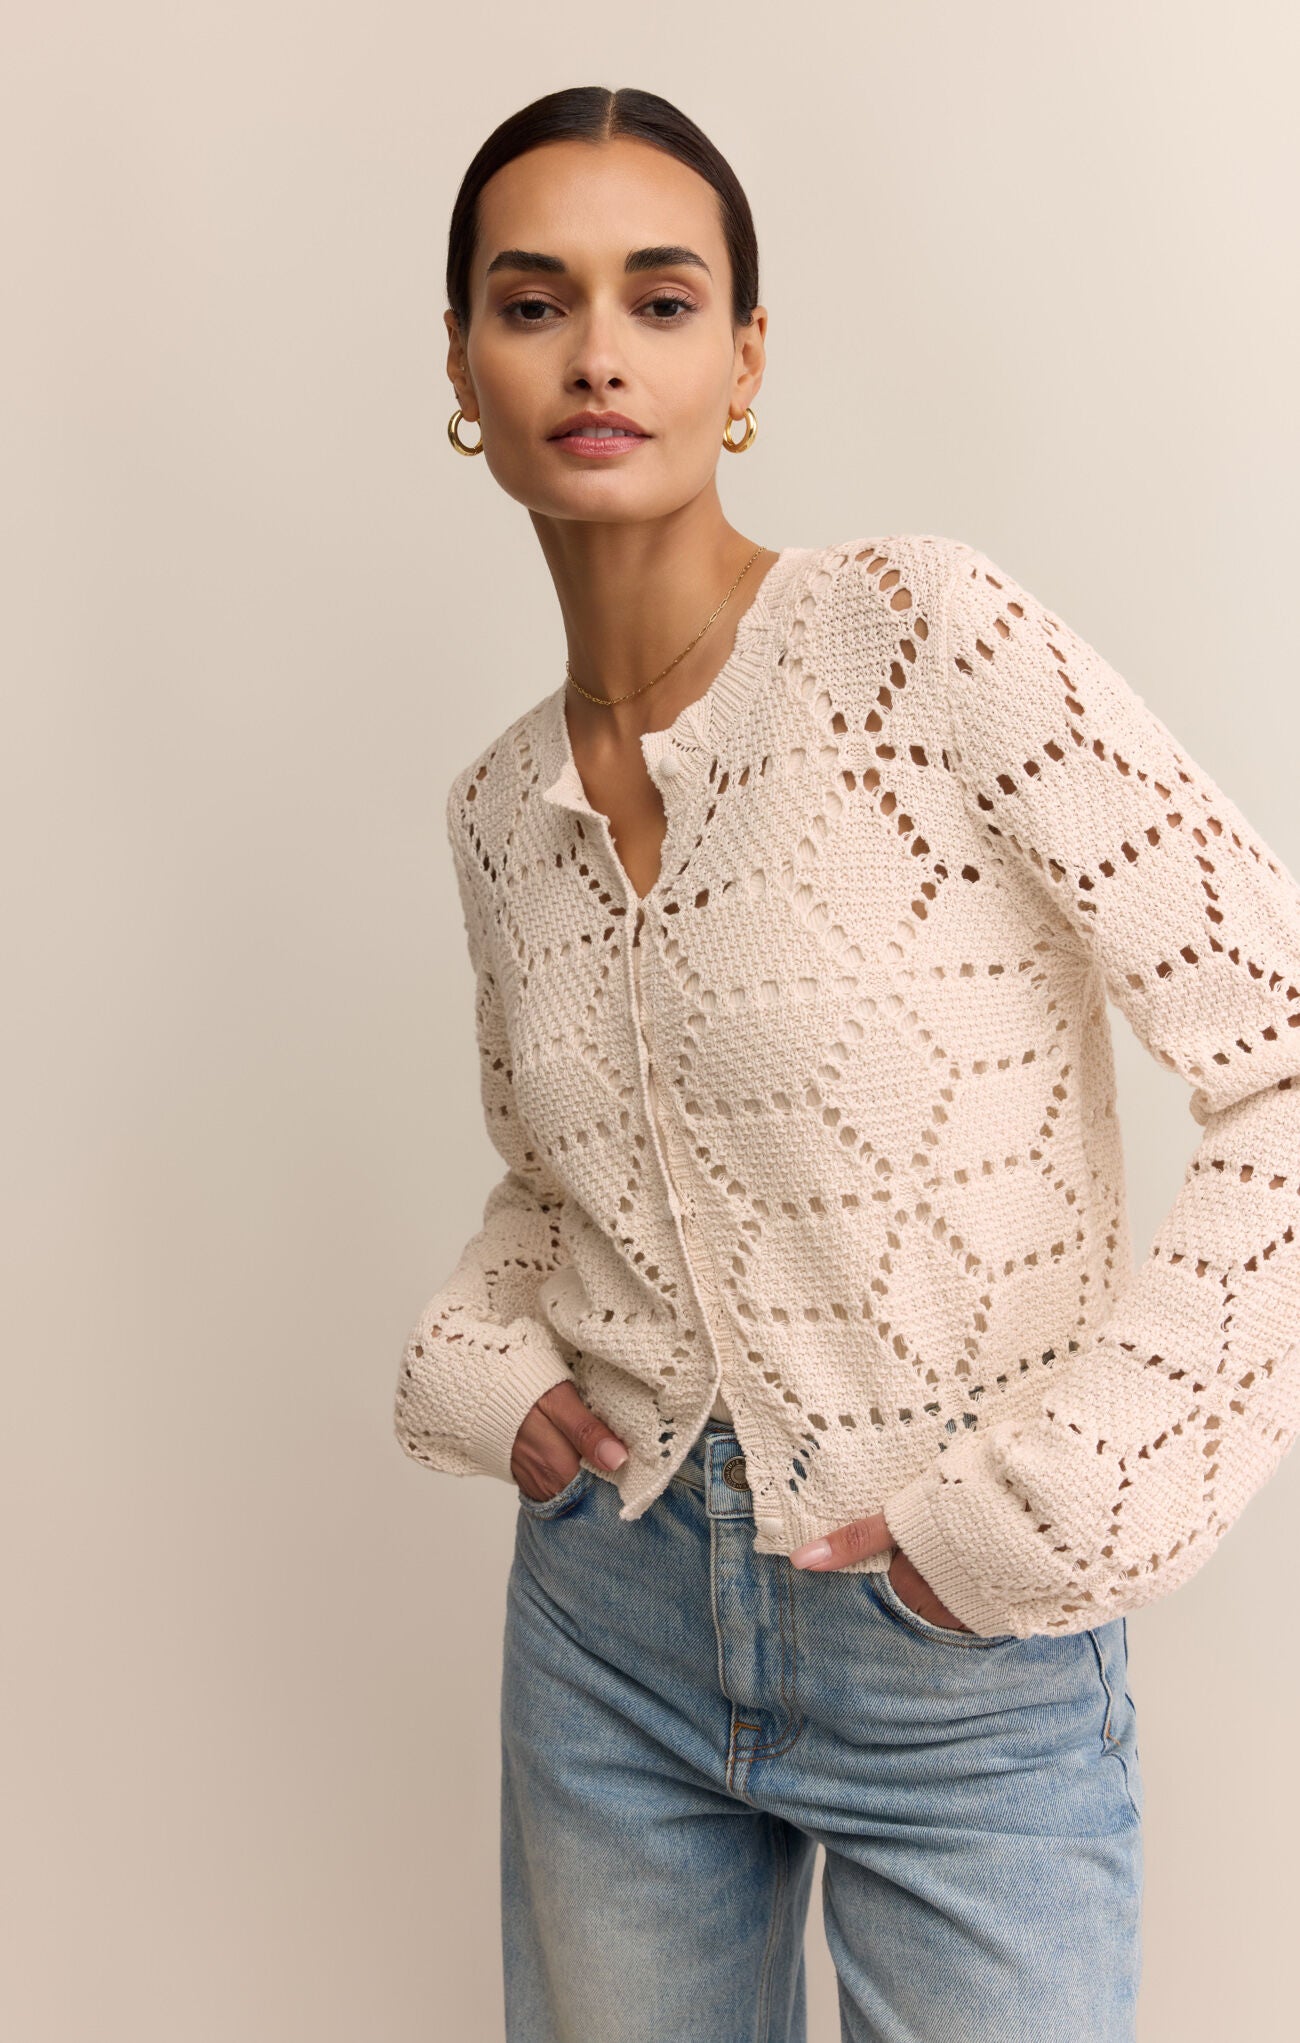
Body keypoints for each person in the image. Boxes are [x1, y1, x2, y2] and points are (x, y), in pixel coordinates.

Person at [393, 84, 1300, 2043]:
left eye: (660, 299)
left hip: (953, 1643)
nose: (598, 353)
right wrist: (485, 1351)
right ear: (462, 366)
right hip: (607, 1628)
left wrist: (1059, 1499)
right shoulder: (496, 812)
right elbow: (568, 1181)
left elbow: (1283, 1058)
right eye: (533, 303)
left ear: (744, 359)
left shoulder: (919, 639)